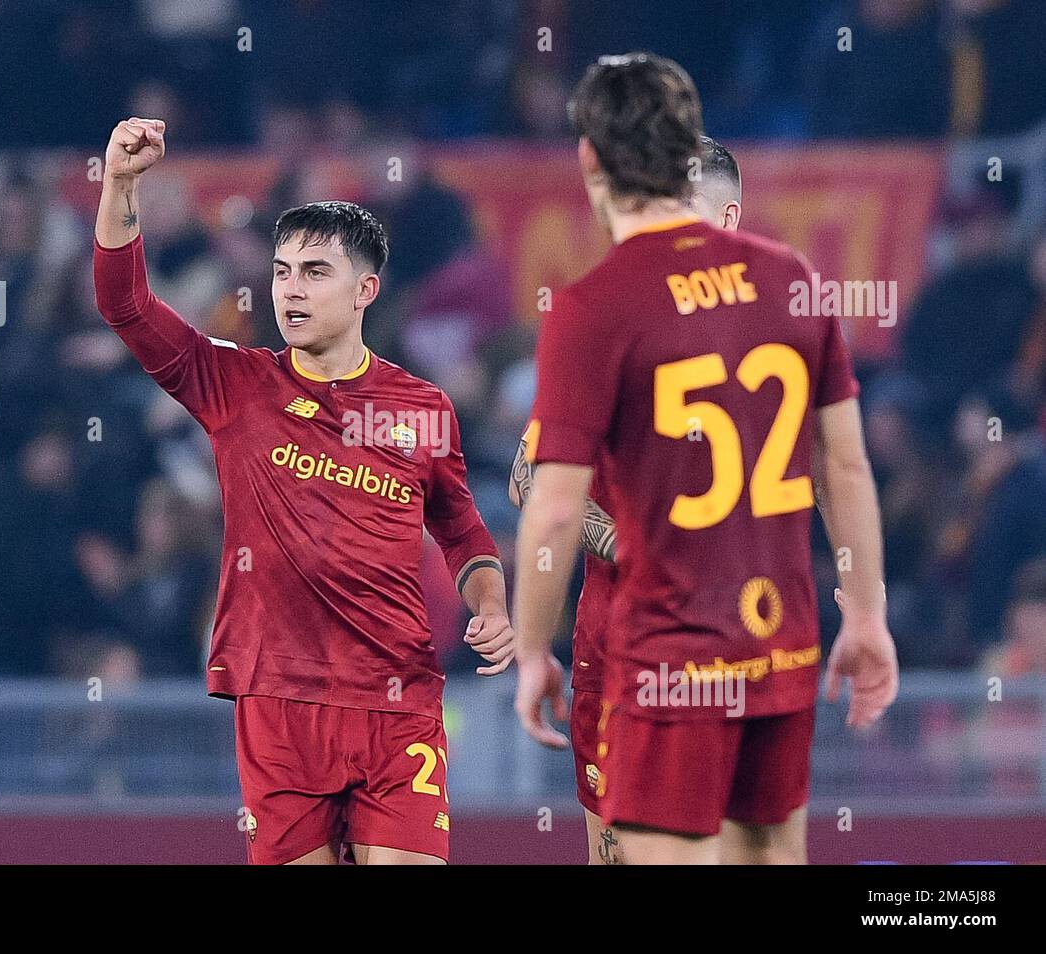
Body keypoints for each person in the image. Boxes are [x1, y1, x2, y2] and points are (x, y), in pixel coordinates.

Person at [511, 55, 898, 864]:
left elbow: (545, 502)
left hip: (665, 657)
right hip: (779, 644)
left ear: (589, 156)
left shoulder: (595, 307)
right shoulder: (794, 282)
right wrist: (865, 615)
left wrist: (530, 647)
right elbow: (847, 470)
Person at [92, 118, 512, 865]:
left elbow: (462, 530)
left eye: (315, 272)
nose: (290, 288)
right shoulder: (235, 385)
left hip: (396, 700)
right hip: (279, 701)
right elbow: (125, 306)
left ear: (365, 290)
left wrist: (490, 604)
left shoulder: (422, 407)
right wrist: (120, 186)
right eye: (283, 271)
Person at [506, 135, 742, 865]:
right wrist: (622, 543)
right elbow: (527, 478)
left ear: (728, 220)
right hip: (614, 644)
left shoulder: (781, 338)